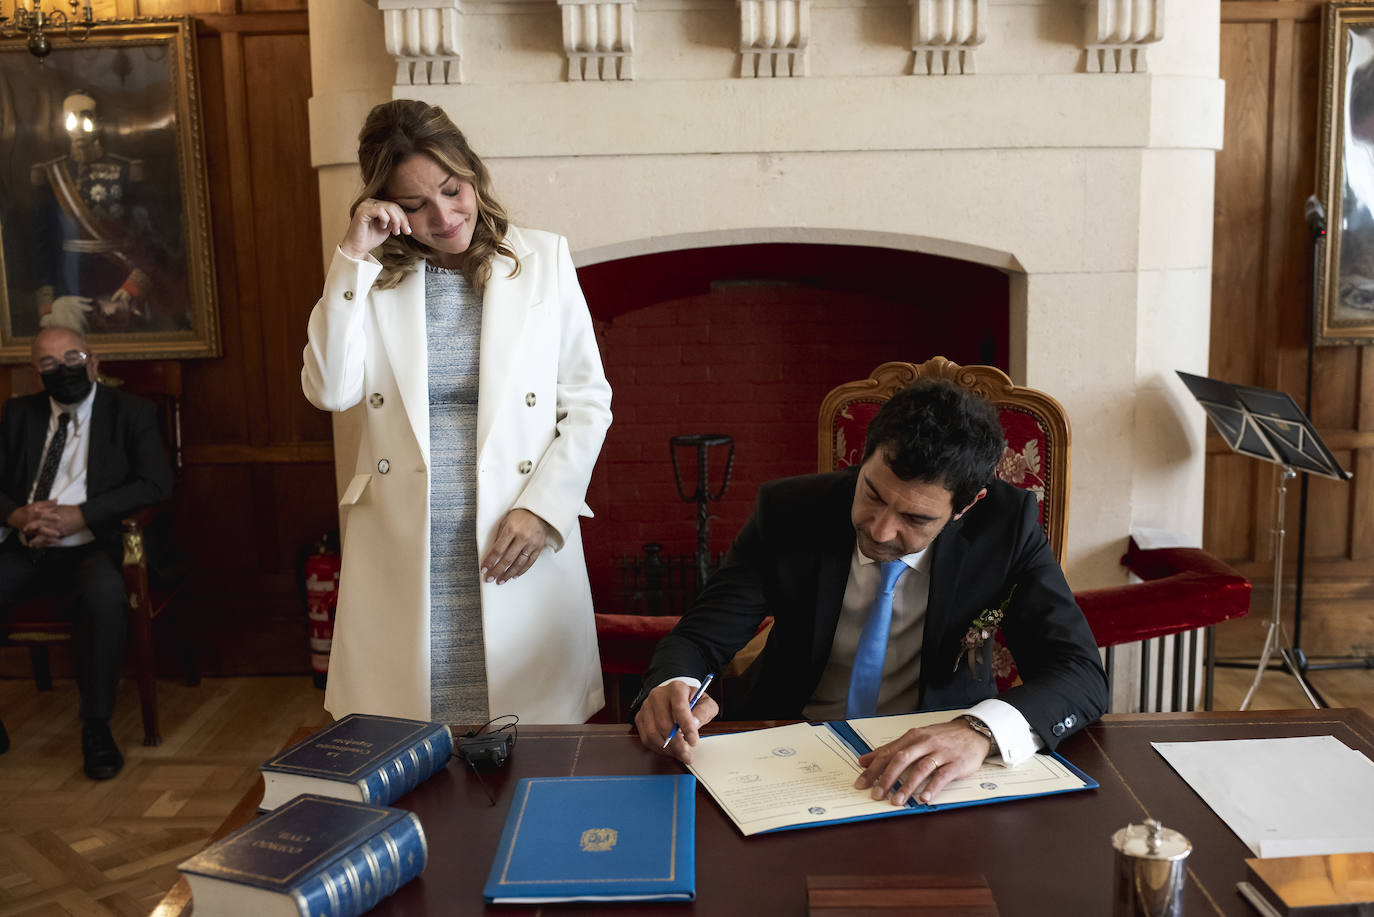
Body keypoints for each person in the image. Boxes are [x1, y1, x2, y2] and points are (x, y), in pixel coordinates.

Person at [634, 379, 1108, 806]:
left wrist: (977, 731)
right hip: (784, 740)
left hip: (934, 757)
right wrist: (675, 685)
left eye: (916, 519)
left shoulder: (1008, 527)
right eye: (873, 495)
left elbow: (1080, 672)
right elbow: (699, 640)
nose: (881, 531)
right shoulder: (789, 510)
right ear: (864, 458)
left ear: (967, 506)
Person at [302, 100, 612, 726]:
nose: (444, 217)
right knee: (413, 741)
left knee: (528, 743)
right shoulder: (367, 279)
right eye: (415, 205)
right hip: (408, 541)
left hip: (513, 533)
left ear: (472, 173)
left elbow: (587, 401)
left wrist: (542, 509)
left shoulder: (544, 259)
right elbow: (330, 390)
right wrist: (352, 255)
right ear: (384, 205)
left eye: (451, 189)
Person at [0, 325, 172, 779]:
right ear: (35, 374)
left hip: (97, 543)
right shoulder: (18, 414)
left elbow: (156, 482)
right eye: (50, 364)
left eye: (73, 358)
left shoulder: (130, 412)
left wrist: (84, 514)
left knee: (102, 597)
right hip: (30, 543)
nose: (64, 371)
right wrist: (18, 516)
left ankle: (96, 727)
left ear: (93, 362)